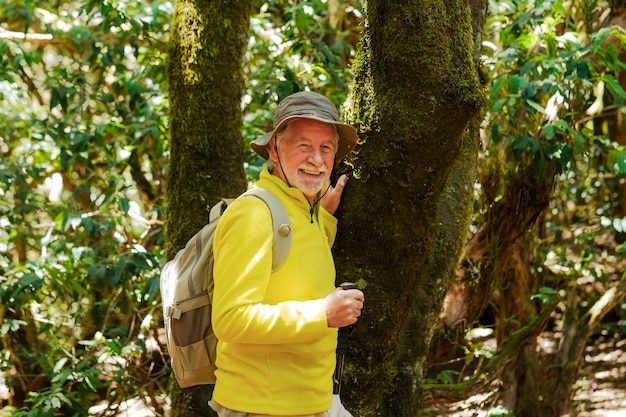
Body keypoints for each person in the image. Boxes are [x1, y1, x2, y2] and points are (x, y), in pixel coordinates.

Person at [209, 91, 365, 417]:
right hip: (261, 407)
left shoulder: (306, 212)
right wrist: (321, 313)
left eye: (326, 148)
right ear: (274, 150)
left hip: (312, 401)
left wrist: (323, 216)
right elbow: (230, 320)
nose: (317, 160)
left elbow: (300, 260)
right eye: (303, 145)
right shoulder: (253, 214)